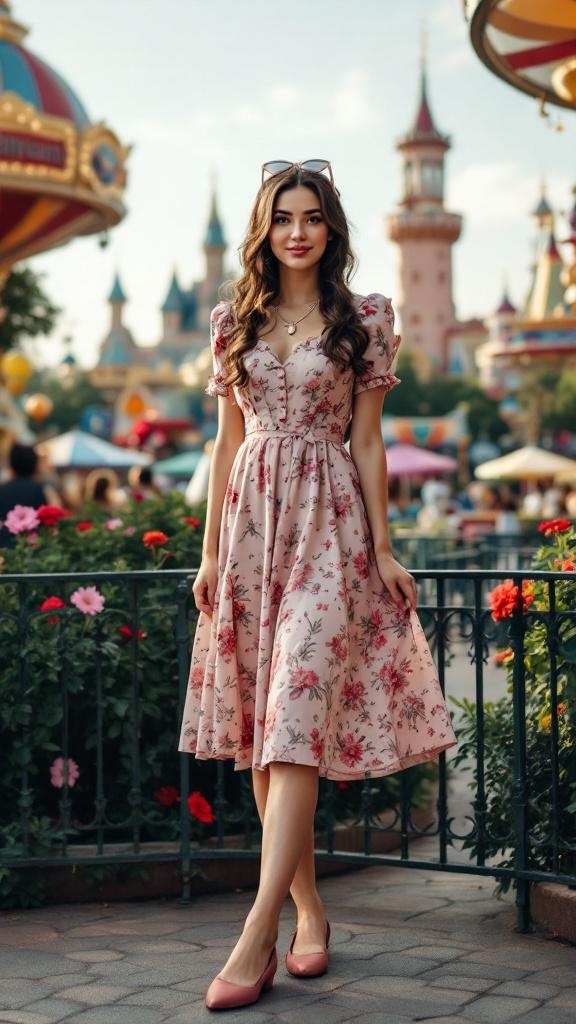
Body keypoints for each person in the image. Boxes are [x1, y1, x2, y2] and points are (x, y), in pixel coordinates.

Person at [177, 160, 457, 1011]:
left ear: (331, 229)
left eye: (313, 217)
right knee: (264, 738)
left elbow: (368, 441)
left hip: (329, 525)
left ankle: (256, 931)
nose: (298, 230)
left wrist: (383, 545)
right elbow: (226, 446)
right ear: (266, 228)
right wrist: (209, 554)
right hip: (250, 525)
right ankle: (308, 915)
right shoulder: (235, 321)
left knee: (293, 719)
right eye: (283, 217)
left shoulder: (364, 318)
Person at [0, 443, 50, 546]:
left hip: (4, 547)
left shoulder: (3, 489)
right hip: (31, 547)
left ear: (12, 465)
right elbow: (43, 518)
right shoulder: (38, 489)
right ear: (35, 465)